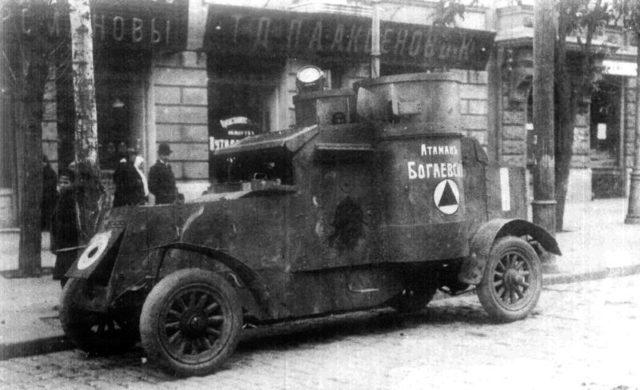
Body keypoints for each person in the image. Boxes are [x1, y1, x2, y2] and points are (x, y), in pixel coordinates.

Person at [51, 169, 79, 288]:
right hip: (63, 242)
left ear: (72, 183)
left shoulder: (70, 199)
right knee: (64, 274)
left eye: (66, 182)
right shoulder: (61, 198)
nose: (62, 185)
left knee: (67, 273)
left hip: (69, 242)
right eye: (60, 182)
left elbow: (71, 220)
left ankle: (67, 300)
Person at [41, 155, 58, 231]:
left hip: (49, 196)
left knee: (48, 212)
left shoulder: (49, 172)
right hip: (46, 196)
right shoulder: (49, 171)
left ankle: (47, 227)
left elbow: (50, 184)